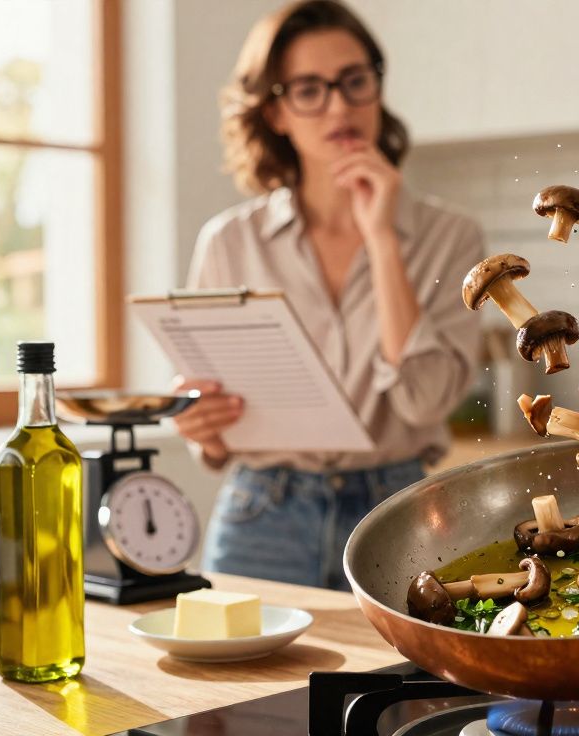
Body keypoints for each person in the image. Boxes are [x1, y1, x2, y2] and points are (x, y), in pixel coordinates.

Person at [172, 0, 483, 591]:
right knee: (235, 685)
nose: (339, 106)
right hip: (261, 516)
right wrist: (199, 419)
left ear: (377, 87)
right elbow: (210, 440)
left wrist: (383, 239)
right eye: (310, 89)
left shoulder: (451, 237)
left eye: (354, 81)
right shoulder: (229, 242)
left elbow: (423, 402)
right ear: (276, 111)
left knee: (398, 686)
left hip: (399, 514)